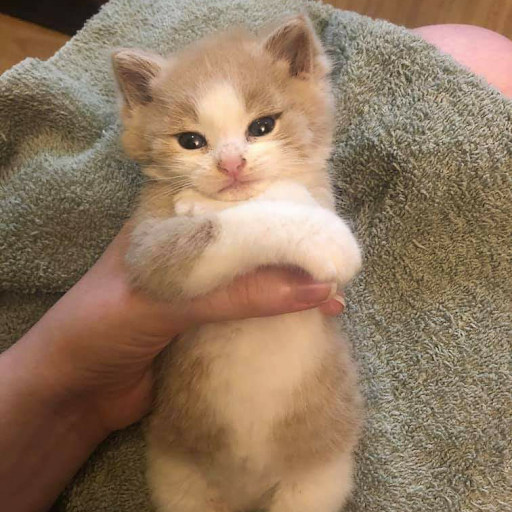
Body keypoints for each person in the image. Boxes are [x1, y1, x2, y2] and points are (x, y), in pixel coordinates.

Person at [0, 24, 510, 512]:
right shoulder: (167, 199)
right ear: (137, 112)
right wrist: (275, 229)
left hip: (310, 444)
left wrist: (275, 222)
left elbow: (336, 257)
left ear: (307, 81)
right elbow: (163, 268)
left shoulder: (304, 180)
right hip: (190, 450)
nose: (231, 162)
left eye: (260, 127)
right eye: (192, 140)